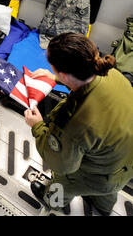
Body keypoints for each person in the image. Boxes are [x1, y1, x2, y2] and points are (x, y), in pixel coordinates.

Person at [24, 32, 133, 215]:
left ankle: (52, 202)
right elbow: (89, 84)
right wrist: (55, 77)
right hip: (124, 166)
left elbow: (61, 164)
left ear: (66, 74)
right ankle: (104, 208)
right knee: (107, 192)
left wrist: (37, 126)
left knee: (63, 180)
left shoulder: (74, 121)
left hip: (96, 175)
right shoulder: (112, 73)